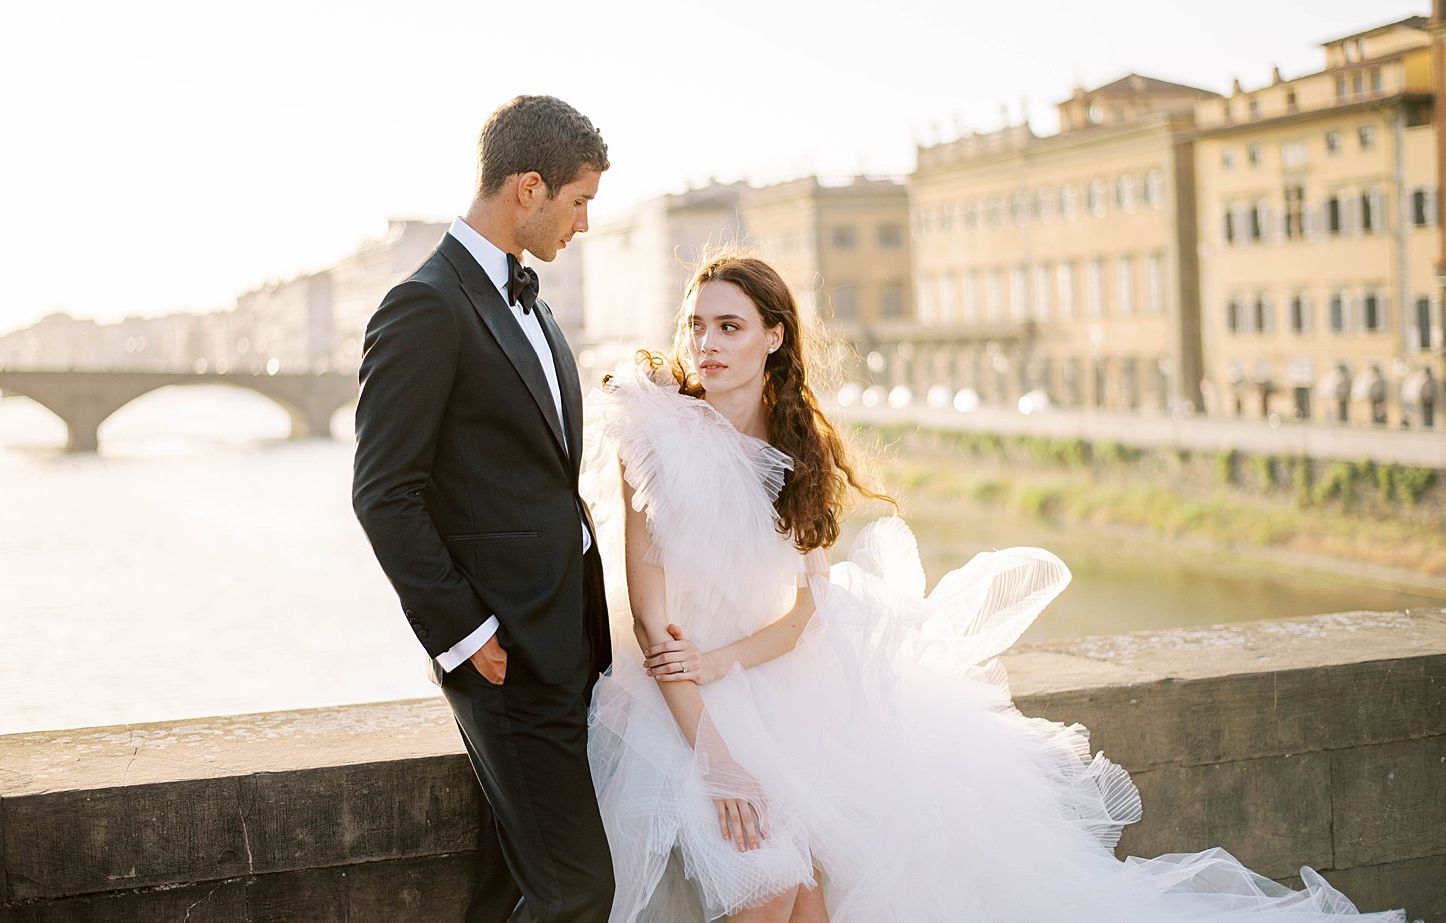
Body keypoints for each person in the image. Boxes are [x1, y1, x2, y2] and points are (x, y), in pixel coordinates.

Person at [580, 254, 1407, 922]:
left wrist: (728, 658)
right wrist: (719, 755)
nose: (707, 344)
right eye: (697, 325)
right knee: (767, 891)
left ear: (775, 336)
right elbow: (655, 627)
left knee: (812, 896)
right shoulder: (654, 432)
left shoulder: (802, 453)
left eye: (730, 325)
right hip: (674, 707)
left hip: (759, 681)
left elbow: (804, 615)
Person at [352, 95, 615, 923]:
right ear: (528, 188)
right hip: (507, 656)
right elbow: (382, 492)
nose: (583, 225)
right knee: (578, 891)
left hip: (563, 638)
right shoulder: (425, 304)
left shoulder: (532, 304)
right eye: (578, 203)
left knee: (512, 888)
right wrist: (468, 635)